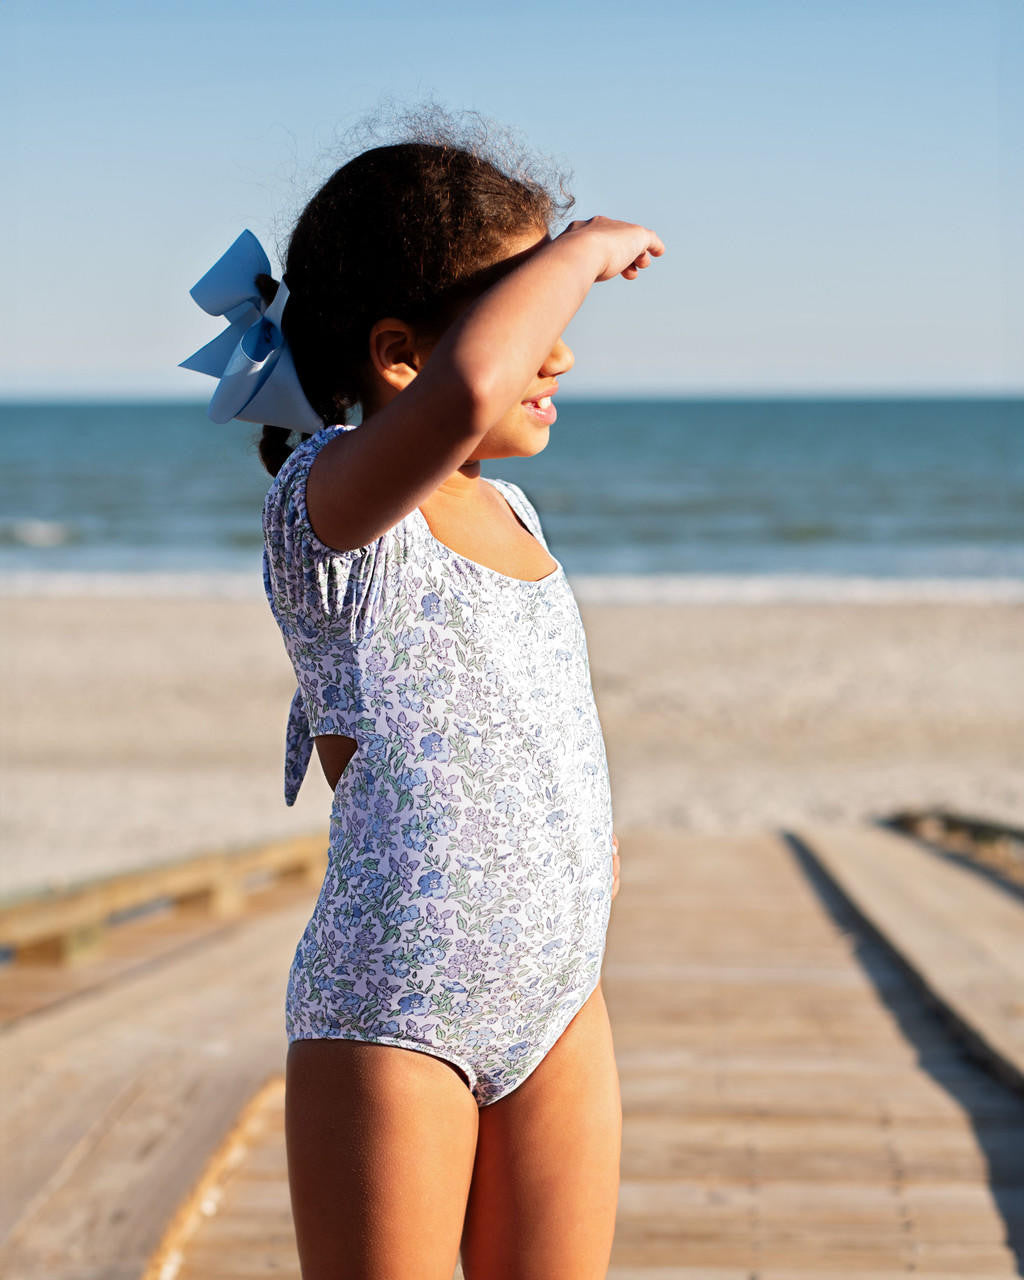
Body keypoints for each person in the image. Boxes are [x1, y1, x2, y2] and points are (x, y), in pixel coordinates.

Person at [181, 111, 663, 1280]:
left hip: (558, 994)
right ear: (401, 354)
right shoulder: (332, 509)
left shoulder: (513, 513)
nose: (561, 350)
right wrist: (579, 249)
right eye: (536, 311)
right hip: (395, 1011)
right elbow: (467, 388)